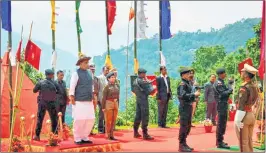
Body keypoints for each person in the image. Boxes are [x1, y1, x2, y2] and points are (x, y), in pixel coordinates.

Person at [69, 53, 95, 145]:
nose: (87, 64)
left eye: (87, 62)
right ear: (80, 64)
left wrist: (93, 97)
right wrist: (72, 97)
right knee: (79, 119)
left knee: (90, 119)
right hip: (79, 101)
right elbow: (72, 87)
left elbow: (92, 87)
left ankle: (85, 136)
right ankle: (77, 138)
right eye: (85, 62)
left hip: (89, 100)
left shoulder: (90, 73)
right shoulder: (76, 74)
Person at [234, 64, 258, 152]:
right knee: (249, 140)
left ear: (246, 75)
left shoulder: (244, 87)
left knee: (243, 142)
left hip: (244, 115)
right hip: (251, 114)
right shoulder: (254, 86)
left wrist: (237, 119)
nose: (241, 72)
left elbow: (241, 104)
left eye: (243, 71)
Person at [33, 69, 61, 141]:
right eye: (53, 74)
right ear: (51, 75)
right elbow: (59, 92)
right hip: (51, 103)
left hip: (42, 102)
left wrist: (41, 90)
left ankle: (37, 135)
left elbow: (34, 90)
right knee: (54, 120)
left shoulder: (40, 82)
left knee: (40, 119)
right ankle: (55, 136)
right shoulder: (55, 83)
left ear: (45, 74)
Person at [177, 67, 200, 152]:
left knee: (188, 126)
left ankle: (184, 143)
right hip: (184, 107)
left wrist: (194, 98)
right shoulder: (182, 84)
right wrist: (194, 95)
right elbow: (183, 95)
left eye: (189, 73)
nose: (189, 75)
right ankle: (181, 145)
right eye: (187, 74)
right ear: (183, 75)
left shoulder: (188, 83)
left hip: (188, 106)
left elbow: (188, 95)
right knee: (183, 126)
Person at [132, 68, 154, 140]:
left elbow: (134, 90)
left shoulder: (135, 81)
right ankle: (145, 134)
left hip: (138, 99)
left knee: (138, 116)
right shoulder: (142, 82)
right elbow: (150, 91)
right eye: (144, 73)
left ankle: (135, 132)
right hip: (144, 100)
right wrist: (150, 84)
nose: (145, 75)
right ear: (140, 74)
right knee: (145, 116)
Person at [213, 68, 233, 149]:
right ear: (221, 74)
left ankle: (220, 140)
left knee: (223, 123)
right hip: (221, 104)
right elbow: (223, 93)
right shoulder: (219, 83)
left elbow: (226, 91)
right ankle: (219, 142)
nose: (225, 74)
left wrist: (229, 85)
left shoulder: (221, 82)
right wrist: (230, 89)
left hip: (223, 104)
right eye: (224, 73)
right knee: (221, 123)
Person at [102, 72, 120, 140]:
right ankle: (108, 135)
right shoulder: (106, 87)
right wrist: (103, 107)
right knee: (108, 120)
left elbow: (118, 96)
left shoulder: (116, 86)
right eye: (111, 77)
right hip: (108, 103)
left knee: (113, 120)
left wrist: (118, 104)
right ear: (108, 79)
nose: (113, 78)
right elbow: (103, 98)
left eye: (114, 77)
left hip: (115, 103)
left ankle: (112, 135)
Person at [97, 66, 110, 134]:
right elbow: (98, 88)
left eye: (108, 70)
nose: (107, 71)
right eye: (106, 70)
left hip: (108, 99)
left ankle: (106, 128)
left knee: (107, 114)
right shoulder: (99, 78)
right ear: (103, 70)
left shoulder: (109, 78)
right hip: (101, 98)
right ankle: (100, 128)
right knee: (101, 114)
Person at [89, 64, 100, 135]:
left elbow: (98, 89)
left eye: (93, 69)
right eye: (91, 69)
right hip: (88, 97)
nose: (93, 70)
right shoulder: (86, 78)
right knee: (87, 113)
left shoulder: (96, 78)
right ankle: (87, 130)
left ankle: (91, 130)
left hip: (95, 97)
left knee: (93, 114)